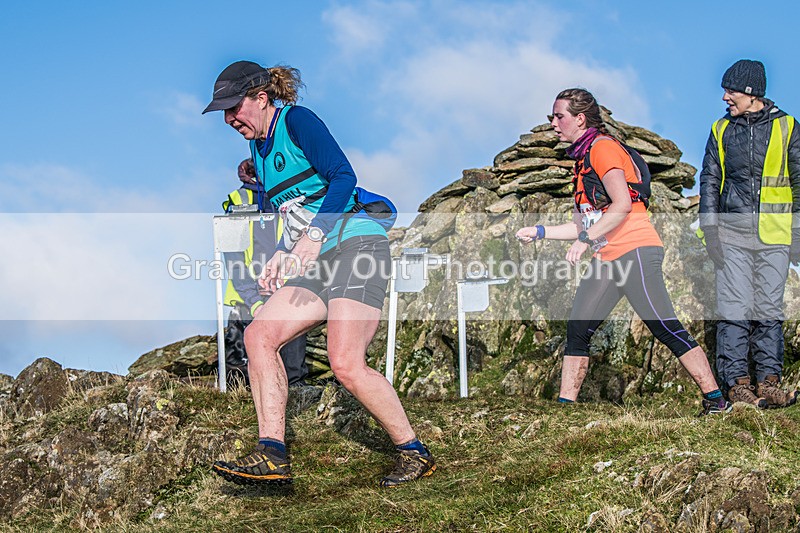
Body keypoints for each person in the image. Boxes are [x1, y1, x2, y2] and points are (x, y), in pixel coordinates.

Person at [203, 60, 435, 487]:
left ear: (261, 97)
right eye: (224, 112)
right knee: (259, 336)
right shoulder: (257, 148)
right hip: (315, 256)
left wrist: (311, 238)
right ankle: (272, 453)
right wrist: (280, 256)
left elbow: (343, 177)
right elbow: (285, 213)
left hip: (356, 244)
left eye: (234, 107)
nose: (229, 119)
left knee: (345, 362)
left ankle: (413, 451)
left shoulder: (298, 121)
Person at [516, 88, 731, 416]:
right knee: (577, 328)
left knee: (663, 326)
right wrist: (541, 232)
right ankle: (565, 410)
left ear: (580, 119)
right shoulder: (582, 163)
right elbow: (582, 224)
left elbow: (622, 206)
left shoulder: (602, 149)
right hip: (608, 258)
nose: (554, 124)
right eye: (552, 117)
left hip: (635, 251)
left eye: (559, 117)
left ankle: (716, 400)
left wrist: (585, 240)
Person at [698, 59, 800, 409]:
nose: (725, 97)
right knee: (734, 310)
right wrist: (710, 230)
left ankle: (769, 383)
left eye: (730, 91)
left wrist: (797, 233)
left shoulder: (788, 127)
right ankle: (738, 386)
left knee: (769, 310)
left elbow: (799, 183)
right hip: (732, 236)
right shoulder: (720, 129)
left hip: (775, 236)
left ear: (751, 93)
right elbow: (709, 181)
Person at [221, 175, 309, 388]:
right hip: (248, 297)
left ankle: (296, 411)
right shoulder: (239, 199)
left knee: (293, 374)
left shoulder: (296, 198)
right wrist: (253, 300)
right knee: (244, 375)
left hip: (289, 294)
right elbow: (234, 258)